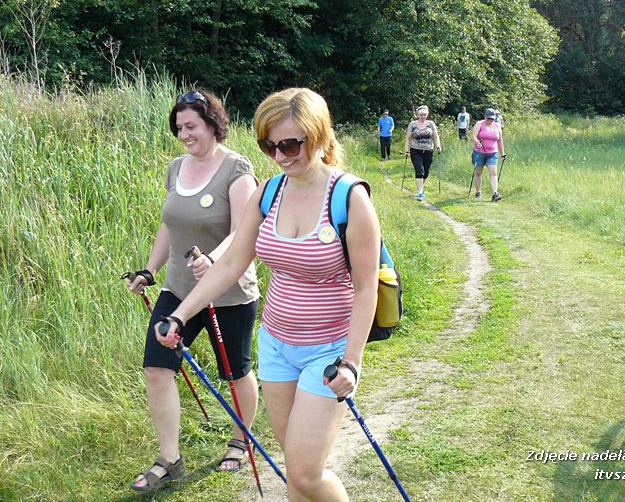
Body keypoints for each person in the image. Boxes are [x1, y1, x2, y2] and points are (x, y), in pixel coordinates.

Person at [156, 88, 381, 501]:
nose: (279, 156)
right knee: (294, 468)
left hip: (328, 351)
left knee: (306, 473)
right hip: (276, 345)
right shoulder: (269, 192)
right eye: (269, 146)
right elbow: (230, 264)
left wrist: (351, 360)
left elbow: (367, 288)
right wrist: (180, 315)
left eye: (290, 145)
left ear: (318, 136)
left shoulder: (349, 198)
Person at [126, 90, 261, 492]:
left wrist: (214, 258)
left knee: (235, 372)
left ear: (213, 125)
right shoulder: (176, 168)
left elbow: (243, 229)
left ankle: (240, 441)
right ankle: (169, 459)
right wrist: (150, 270)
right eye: (179, 127)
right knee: (157, 369)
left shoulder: (237, 168)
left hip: (229, 291)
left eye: (191, 126)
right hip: (179, 290)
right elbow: (170, 224)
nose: (184, 134)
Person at [404, 105, 442, 202]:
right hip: (415, 150)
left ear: (427, 115)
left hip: (428, 151)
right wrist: (406, 151)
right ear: (418, 115)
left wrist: (438, 145)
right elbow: (408, 138)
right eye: (421, 115)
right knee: (419, 170)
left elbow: (435, 136)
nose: (423, 117)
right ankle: (420, 192)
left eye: (425, 115)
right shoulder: (412, 124)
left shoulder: (431, 124)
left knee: (426, 173)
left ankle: (420, 186)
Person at [470, 108, 506, 202]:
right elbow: (474, 136)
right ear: (485, 116)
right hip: (479, 152)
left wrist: (502, 153)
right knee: (478, 172)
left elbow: (499, 140)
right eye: (488, 118)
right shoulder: (479, 124)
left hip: (492, 153)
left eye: (492, 119)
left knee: (493, 173)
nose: (490, 120)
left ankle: (495, 194)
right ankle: (478, 191)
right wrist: (477, 142)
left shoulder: (497, 126)